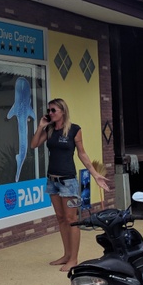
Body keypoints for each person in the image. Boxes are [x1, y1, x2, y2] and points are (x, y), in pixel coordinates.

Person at [30, 97, 109, 272]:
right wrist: (41, 126)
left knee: (71, 220)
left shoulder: (74, 130)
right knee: (60, 218)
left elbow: (82, 154)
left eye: (53, 110)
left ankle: (73, 258)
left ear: (63, 111)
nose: (50, 113)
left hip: (68, 181)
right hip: (52, 181)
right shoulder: (50, 129)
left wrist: (95, 175)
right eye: (49, 110)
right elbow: (34, 144)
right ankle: (66, 255)